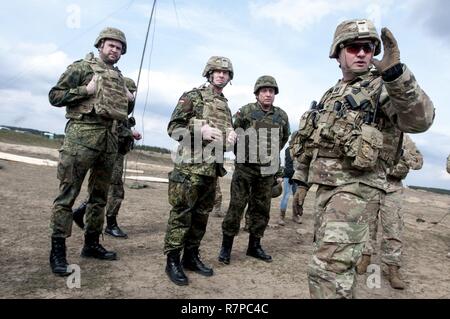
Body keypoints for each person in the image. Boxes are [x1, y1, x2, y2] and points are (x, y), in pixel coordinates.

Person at [291, 19, 434, 298]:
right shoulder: (331, 95)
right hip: (327, 191)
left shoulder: (382, 87)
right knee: (340, 272)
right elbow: (313, 142)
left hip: (358, 189)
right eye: (354, 47)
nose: (362, 53)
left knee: (327, 270)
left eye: (368, 48)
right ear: (338, 53)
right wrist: (300, 181)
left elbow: (421, 119)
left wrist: (396, 74)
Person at [48, 27, 134, 276]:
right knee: (67, 197)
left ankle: (92, 243)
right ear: (100, 45)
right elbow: (55, 96)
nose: (114, 50)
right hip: (80, 140)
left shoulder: (119, 77)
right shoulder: (81, 68)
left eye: (119, 48)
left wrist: (130, 99)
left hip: (108, 143)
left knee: (99, 198)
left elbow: (121, 112)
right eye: (111, 46)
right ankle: (58, 252)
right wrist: (85, 91)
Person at [164, 56, 237, 286]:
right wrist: (200, 131)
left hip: (211, 170)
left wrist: (232, 137)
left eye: (226, 73)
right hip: (189, 169)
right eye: (217, 71)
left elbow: (224, 135)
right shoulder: (193, 96)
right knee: (181, 214)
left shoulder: (225, 105)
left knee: (201, 217)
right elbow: (173, 128)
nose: (221, 75)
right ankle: (173, 260)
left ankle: (191, 256)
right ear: (209, 73)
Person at [218, 75, 290, 265]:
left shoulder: (281, 116)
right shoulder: (246, 112)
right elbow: (232, 132)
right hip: (245, 169)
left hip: (267, 171)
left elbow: (283, 140)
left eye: (271, 91)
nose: (268, 94)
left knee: (261, 209)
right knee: (236, 207)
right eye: (264, 91)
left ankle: (254, 246)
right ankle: (226, 248)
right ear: (257, 93)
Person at [72, 78, 142, 239]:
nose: (132, 96)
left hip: (115, 151)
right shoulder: (114, 106)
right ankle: (111, 224)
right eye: (130, 92)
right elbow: (114, 128)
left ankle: (81, 211)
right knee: (115, 190)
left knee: (103, 188)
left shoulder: (119, 109)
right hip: (112, 151)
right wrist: (129, 133)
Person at [356, 134, 423, 290]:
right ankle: (365, 259)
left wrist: (404, 154)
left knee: (393, 229)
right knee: (366, 226)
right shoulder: (374, 132)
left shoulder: (404, 139)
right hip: (371, 184)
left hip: (393, 188)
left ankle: (393, 270)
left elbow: (418, 162)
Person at [278, 142, 304, 225]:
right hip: (289, 175)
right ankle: (281, 217)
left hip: (297, 176)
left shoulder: (301, 149)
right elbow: (289, 164)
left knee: (296, 197)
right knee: (286, 196)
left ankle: (295, 216)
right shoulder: (289, 150)